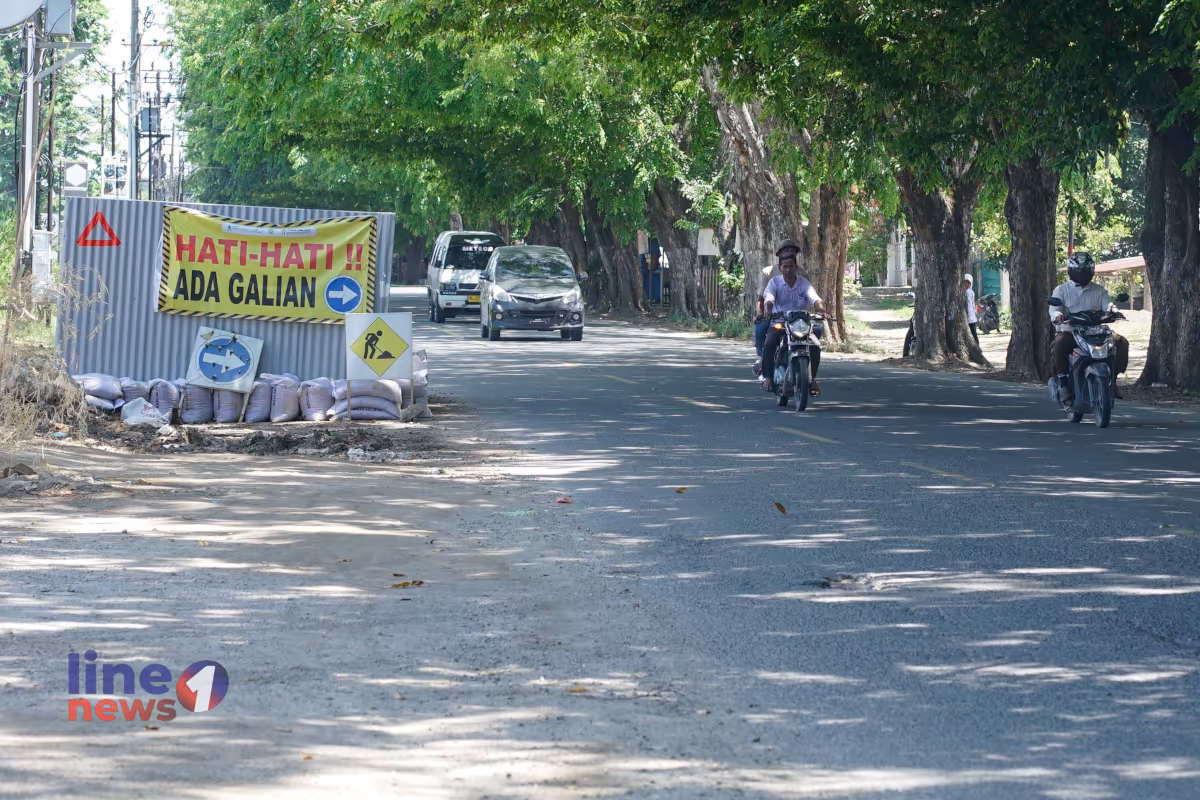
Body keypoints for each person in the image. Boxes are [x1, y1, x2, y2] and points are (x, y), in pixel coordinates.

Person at [1050, 252, 1130, 403]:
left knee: (1121, 342)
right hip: (1071, 331)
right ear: (1070, 271)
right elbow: (1055, 309)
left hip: (1096, 331)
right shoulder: (1061, 290)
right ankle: (1063, 383)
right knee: (1060, 341)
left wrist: (1114, 311)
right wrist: (1058, 315)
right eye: (1078, 271)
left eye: (1085, 271)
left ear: (1091, 272)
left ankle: (1113, 380)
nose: (1082, 274)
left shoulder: (1098, 290)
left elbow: (1108, 305)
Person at [761, 255, 827, 396]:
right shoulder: (774, 282)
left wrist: (821, 310)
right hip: (780, 323)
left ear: (796, 268)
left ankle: (811, 379)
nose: (788, 269)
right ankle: (768, 377)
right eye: (785, 266)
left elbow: (814, 298)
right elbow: (769, 299)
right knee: (769, 344)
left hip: (801, 323)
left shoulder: (803, 283)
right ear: (780, 269)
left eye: (791, 266)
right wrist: (767, 310)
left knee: (815, 346)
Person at [755, 239, 800, 356]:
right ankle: (762, 359)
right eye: (786, 250)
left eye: (793, 250)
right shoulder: (768, 272)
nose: (790, 252)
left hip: (796, 316)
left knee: (815, 333)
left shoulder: (802, 273)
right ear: (779, 254)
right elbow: (761, 298)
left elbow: (810, 297)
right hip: (775, 314)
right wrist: (761, 315)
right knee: (760, 330)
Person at [964, 274, 979, 343]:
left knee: (973, 333)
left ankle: (977, 345)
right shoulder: (965, 292)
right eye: (965, 282)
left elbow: (971, 304)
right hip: (968, 316)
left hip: (971, 317)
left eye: (969, 283)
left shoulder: (970, 292)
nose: (967, 284)